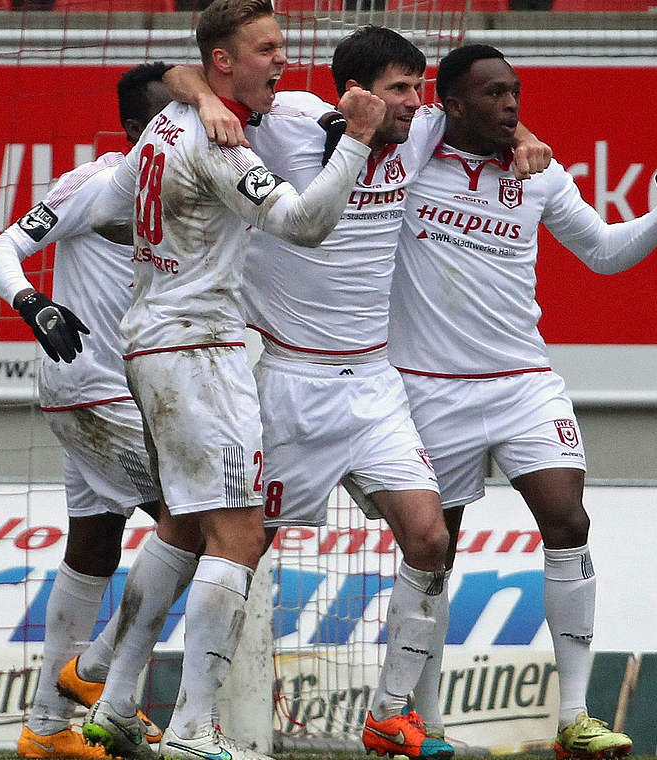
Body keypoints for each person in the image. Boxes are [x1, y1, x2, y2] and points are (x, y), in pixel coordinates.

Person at [161, 27, 552, 759]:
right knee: (240, 550)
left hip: (375, 384)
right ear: (359, 93)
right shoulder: (287, 125)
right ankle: (191, 722)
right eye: (401, 89)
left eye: (420, 88)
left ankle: (390, 713)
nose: (417, 103)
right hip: (291, 384)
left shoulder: (422, 130)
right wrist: (206, 96)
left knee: (431, 539)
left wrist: (524, 130)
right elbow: (177, 70)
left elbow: (486, 112)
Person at [76, 2, 386, 760]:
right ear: (224, 61)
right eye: (267, 48)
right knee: (241, 534)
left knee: (184, 526)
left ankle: (112, 698)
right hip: (199, 349)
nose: (283, 58)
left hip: (159, 341)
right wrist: (359, 142)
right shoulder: (222, 142)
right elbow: (305, 225)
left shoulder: (164, 125)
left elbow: (176, 83)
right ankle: (190, 728)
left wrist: (204, 91)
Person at [390, 43, 657, 760]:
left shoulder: (540, 174)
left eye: (516, 94)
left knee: (567, 517)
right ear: (453, 105)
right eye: (493, 95)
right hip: (429, 388)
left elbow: (602, 251)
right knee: (435, 549)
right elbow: (403, 115)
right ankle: (427, 727)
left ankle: (574, 717)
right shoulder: (413, 159)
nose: (511, 106)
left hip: (523, 381)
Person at [0, 62, 176, 760]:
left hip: (135, 396)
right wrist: (34, 303)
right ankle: (98, 680)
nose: (179, 128)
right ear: (131, 128)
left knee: (93, 548)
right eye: (163, 117)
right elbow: (1, 245)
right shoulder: (96, 185)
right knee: (203, 534)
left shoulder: (186, 182)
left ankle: (46, 728)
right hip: (94, 391)